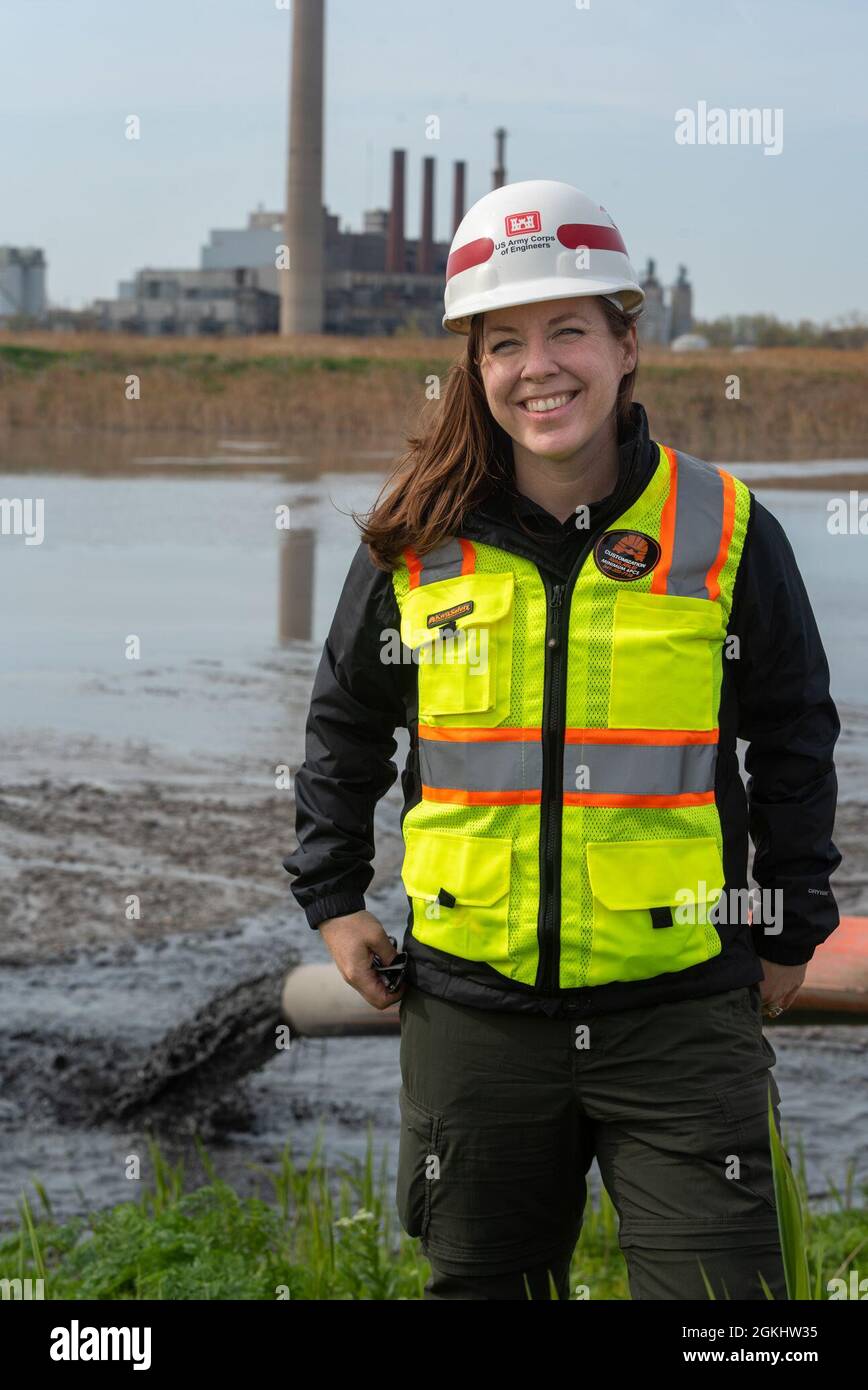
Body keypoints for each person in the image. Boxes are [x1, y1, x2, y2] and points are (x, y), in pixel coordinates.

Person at [283, 180, 842, 1301]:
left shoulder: (723, 528)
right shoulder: (415, 538)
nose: (538, 367)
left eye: (568, 331)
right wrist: (334, 897)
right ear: (474, 367)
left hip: (680, 1013)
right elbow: (344, 726)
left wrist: (790, 920)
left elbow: (793, 738)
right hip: (472, 1017)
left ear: (627, 344)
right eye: (504, 343)